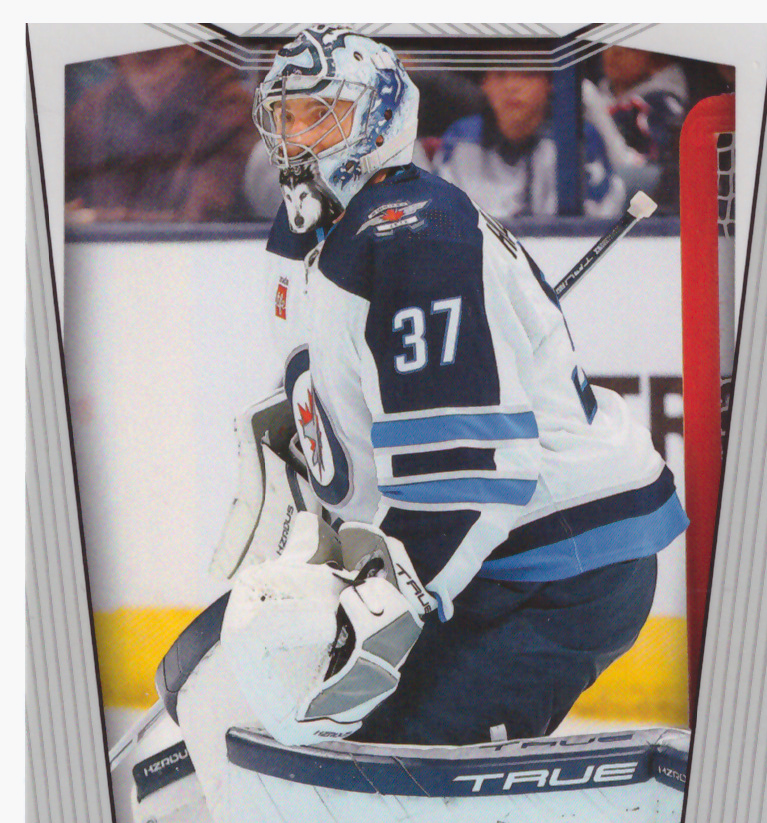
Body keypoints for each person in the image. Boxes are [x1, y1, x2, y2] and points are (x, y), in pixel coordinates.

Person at [161, 26, 688, 750]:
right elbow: (339, 378)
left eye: (321, 115)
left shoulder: (414, 237)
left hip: (559, 565)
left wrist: (387, 604)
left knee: (383, 757)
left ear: (379, 120)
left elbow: (468, 478)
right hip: (475, 556)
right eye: (285, 117)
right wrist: (306, 435)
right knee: (302, 720)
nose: (296, 140)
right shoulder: (308, 228)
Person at [65, 45, 258, 223]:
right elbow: (55, 198)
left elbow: (200, 224)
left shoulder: (230, 110)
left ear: (190, 47)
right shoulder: (93, 108)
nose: (144, 50)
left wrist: (92, 219)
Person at [431, 69, 625, 222]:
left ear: (549, 83)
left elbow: (597, 224)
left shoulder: (577, 139)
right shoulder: (461, 139)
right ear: (485, 84)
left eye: (527, 75)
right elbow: (439, 218)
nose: (512, 86)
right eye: (500, 75)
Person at [583, 46, 688, 213]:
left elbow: (648, 175)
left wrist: (596, 110)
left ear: (656, 59)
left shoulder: (661, 105)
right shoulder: (599, 95)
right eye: (609, 44)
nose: (615, 53)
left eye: (630, 48)